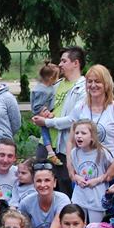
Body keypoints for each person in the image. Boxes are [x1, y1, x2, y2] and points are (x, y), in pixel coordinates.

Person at [31, 46, 87, 195]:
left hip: (65, 145)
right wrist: (41, 113)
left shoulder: (83, 88)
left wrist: (47, 122)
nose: (60, 64)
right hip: (46, 144)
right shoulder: (56, 84)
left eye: (64, 61)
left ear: (76, 63)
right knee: (42, 185)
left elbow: (74, 119)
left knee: (64, 186)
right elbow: (44, 105)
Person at [66, 64, 114, 185]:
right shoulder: (79, 108)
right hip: (83, 169)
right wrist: (70, 167)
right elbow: (71, 141)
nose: (93, 85)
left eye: (98, 81)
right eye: (89, 81)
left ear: (106, 84)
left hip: (108, 169)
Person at [67, 120, 113, 223]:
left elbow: (112, 171)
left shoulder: (102, 153)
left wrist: (97, 180)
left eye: (83, 133)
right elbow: (73, 172)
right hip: (79, 197)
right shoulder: (74, 152)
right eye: (77, 133)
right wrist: (77, 178)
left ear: (92, 137)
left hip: (96, 197)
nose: (79, 136)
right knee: (77, 224)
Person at [17, 163, 70, 228]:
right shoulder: (25, 203)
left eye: (47, 180)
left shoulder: (62, 200)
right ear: (34, 183)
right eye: (38, 181)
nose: (43, 185)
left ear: (54, 182)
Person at [30, 62, 63, 165]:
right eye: (56, 76)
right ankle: (50, 153)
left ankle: (50, 153)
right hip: (43, 115)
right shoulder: (43, 91)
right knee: (45, 133)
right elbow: (37, 106)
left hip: (45, 114)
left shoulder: (46, 88)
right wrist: (46, 114)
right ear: (51, 77)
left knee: (45, 133)